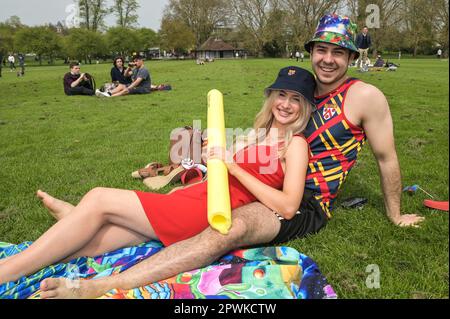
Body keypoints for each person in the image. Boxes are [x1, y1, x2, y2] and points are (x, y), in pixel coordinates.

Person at [7, 14, 426, 299]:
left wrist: (394, 214)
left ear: (352, 57)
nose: (329, 59)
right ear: (312, 53)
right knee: (124, 225)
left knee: (226, 229)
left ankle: (104, 280)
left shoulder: (363, 95)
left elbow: (386, 159)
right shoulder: (305, 92)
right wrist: (204, 152)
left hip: (305, 203)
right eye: (322, 50)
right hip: (257, 184)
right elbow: (254, 144)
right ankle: (77, 224)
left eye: (339, 52)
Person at [0, 66, 317, 291]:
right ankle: (53, 244)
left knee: (99, 197)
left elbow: (288, 207)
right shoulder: (255, 134)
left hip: (202, 213)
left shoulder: (295, 144)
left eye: (295, 99)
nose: (286, 104)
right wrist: (210, 155)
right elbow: (220, 164)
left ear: (304, 106)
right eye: (281, 95)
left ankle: (8, 270)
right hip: (192, 197)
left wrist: (232, 167)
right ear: (271, 97)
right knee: (95, 240)